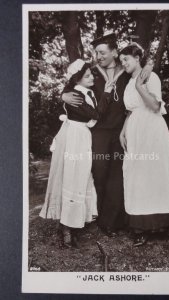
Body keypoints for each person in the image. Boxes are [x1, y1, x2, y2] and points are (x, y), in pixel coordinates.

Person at [62, 34, 153, 237]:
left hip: (121, 130)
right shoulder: (92, 72)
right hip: (98, 132)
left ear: (114, 51)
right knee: (99, 172)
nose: (98, 56)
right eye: (96, 53)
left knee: (118, 174)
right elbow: (72, 85)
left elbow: (143, 68)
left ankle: (112, 222)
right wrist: (63, 94)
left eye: (102, 52)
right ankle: (96, 216)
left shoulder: (126, 69)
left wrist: (149, 67)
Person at [119, 44, 169, 247]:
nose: (123, 63)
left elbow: (155, 106)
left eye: (126, 59)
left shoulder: (151, 77)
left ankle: (159, 225)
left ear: (138, 57)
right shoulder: (129, 81)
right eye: (121, 60)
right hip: (134, 129)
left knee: (153, 173)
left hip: (151, 129)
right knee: (136, 174)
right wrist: (123, 131)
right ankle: (141, 225)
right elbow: (131, 110)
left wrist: (141, 86)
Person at [39, 59, 111, 247]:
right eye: (86, 76)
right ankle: (66, 229)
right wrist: (107, 94)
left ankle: (74, 222)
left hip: (83, 136)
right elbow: (95, 114)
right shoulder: (76, 95)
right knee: (72, 175)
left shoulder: (85, 92)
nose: (91, 78)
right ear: (77, 79)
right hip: (74, 137)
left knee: (82, 176)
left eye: (91, 74)